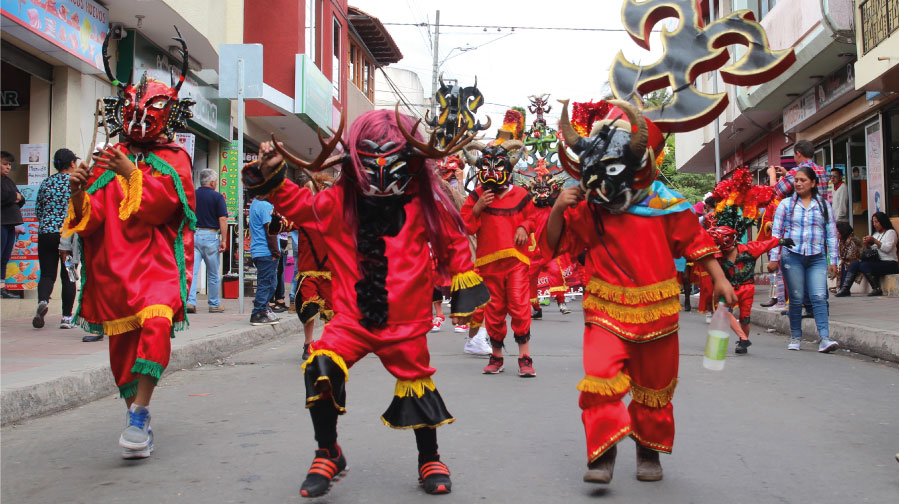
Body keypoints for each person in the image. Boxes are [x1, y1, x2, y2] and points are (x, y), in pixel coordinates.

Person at [241, 108, 488, 497]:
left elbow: (453, 238)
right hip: (352, 320)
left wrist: (463, 279)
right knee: (319, 364)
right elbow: (301, 206)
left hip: (406, 324)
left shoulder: (422, 204)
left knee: (417, 384)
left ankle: (430, 457)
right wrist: (273, 176)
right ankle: (328, 451)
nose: (382, 175)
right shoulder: (338, 202)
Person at [545, 100, 737, 485]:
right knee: (600, 377)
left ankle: (647, 449)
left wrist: (719, 278)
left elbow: (695, 241)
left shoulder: (666, 204)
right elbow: (554, 248)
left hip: (659, 310)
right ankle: (602, 453)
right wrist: (556, 209)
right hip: (605, 308)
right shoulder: (589, 207)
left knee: (654, 389)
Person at [62, 28, 197, 459]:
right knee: (122, 351)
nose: (138, 120)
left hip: (156, 267)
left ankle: (140, 413)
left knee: (156, 324)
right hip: (114, 269)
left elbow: (164, 207)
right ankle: (135, 411)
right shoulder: (108, 153)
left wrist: (131, 172)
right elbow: (92, 220)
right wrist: (79, 191)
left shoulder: (175, 157)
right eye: (132, 112)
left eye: (150, 111)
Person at [460, 137, 538, 377]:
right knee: (493, 310)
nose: (491, 173)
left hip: (515, 262)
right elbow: (466, 226)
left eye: (498, 167)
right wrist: (477, 207)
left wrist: (524, 226)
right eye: (486, 168)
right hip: (488, 263)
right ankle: (497, 356)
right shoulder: (477, 196)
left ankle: (525, 357)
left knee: (519, 305)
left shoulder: (522, 194)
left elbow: (533, 217)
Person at [768, 166, 839, 352]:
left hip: (817, 257)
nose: (798, 183)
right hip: (792, 258)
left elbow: (831, 234)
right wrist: (774, 258)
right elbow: (776, 233)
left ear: (813, 183)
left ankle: (825, 338)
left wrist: (834, 261)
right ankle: (796, 336)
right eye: (796, 180)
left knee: (819, 296)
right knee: (797, 298)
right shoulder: (785, 205)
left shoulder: (823, 205)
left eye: (803, 180)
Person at [32, 149, 78, 329]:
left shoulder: (46, 182)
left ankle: (42, 301)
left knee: (47, 273)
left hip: (46, 233)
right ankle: (66, 318)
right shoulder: (75, 182)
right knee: (69, 275)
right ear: (72, 164)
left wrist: (47, 222)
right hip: (67, 235)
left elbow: (38, 210)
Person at [293, 172, 334, 360]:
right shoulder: (303, 214)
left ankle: (327, 344)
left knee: (331, 311)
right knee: (308, 308)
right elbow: (282, 225)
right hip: (308, 270)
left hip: (329, 272)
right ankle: (307, 344)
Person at [187, 168, 227, 314]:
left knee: (192, 271)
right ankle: (214, 303)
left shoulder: (192, 195)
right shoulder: (217, 197)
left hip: (194, 234)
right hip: (211, 236)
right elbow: (222, 219)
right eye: (215, 181)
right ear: (211, 182)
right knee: (213, 273)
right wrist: (224, 239)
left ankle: (190, 302)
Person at [839, 212, 898, 297]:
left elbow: (887, 248)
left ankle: (876, 288)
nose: (875, 224)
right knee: (855, 264)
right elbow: (873, 251)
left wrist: (874, 240)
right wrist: (867, 244)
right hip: (878, 262)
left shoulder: (891, 232)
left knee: (864, 265)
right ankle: (845, 289)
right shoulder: (876, 234)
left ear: (883, 221)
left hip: (890, 263)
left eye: (877, 222)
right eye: (873, 222)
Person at [248, 195, 281, 325]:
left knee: (270, 283)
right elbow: (270, 230)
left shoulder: (255, 203)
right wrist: (275, 252)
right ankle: (258, 312)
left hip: (259, 250)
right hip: (266, 251)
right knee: (266, 283)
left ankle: (264, 309)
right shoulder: (265, 206)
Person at [1, 151, 26, 299]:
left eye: (10, 164)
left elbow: (21, 198)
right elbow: (9, 196)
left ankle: (2, 288)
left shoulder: (9, 181)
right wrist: (13, 197)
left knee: (4, 257)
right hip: (1, 223)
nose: (8, 167)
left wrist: (17, 197)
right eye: (5, 164)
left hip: (10, 224)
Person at [833, 222, 862, 296]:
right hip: (848, 261)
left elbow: (852, 256)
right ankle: (842, 288)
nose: (835, 233)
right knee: (843, 265)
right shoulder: (842, 241)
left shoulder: (852, 240)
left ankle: (845, 289)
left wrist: (842, 260)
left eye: (837, 232)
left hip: (857, 261)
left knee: (846, 265)